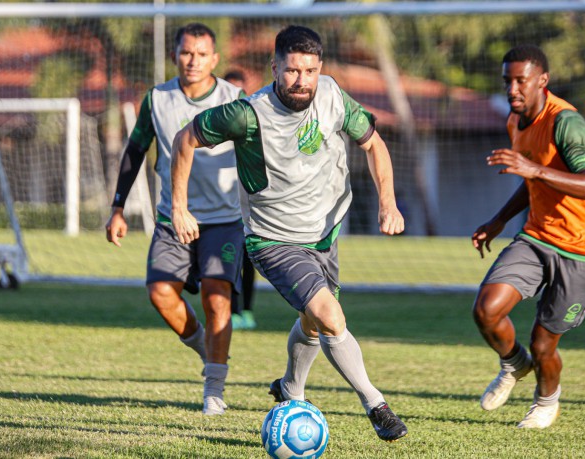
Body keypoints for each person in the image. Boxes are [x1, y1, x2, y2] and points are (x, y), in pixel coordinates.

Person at [170, 25, 409, 442]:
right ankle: (377, 406)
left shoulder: (333, 95)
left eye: (311, 71)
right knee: (331, 315)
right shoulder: (247, 113)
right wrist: (178, 207)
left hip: (324, 234)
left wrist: (388, 203)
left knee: (313, 323)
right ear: (275, 67)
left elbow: (374, 145)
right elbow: (184, 139)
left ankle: (290, 389)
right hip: (273, 239)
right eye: (293, 71)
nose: (302, 81)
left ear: (321, 69)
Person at [471, 45, 585, 429]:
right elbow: (533, 179)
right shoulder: (515, 122)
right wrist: (499, 219)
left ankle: (547, 400)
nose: (512, 89)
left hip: (584, 248)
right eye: (507, 81)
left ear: (542, 80)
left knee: (543, 343)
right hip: (537, 235)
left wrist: (533, 170)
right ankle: (514, 364)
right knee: (486, 310)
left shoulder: (566, 122)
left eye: (521, 80)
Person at [105, 23, 244, 416]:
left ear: (215, 59)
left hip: (224, 218)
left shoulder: (236, 98)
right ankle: (206, 349)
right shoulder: (158, 99)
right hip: (172, 215)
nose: (193, 61)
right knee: (160, 292)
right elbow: (135, 150)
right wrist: (117, 208)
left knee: (217, 296)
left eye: (202, 54)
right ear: (174, 56)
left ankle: (213, 390)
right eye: (186, 53)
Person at [222, 69, 258, 330]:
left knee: (249, 261)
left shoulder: (253, 123)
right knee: (228, 262)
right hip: (223, 210)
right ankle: (232, 311)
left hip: (249, 208)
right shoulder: (214, 124)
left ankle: (246, 311)